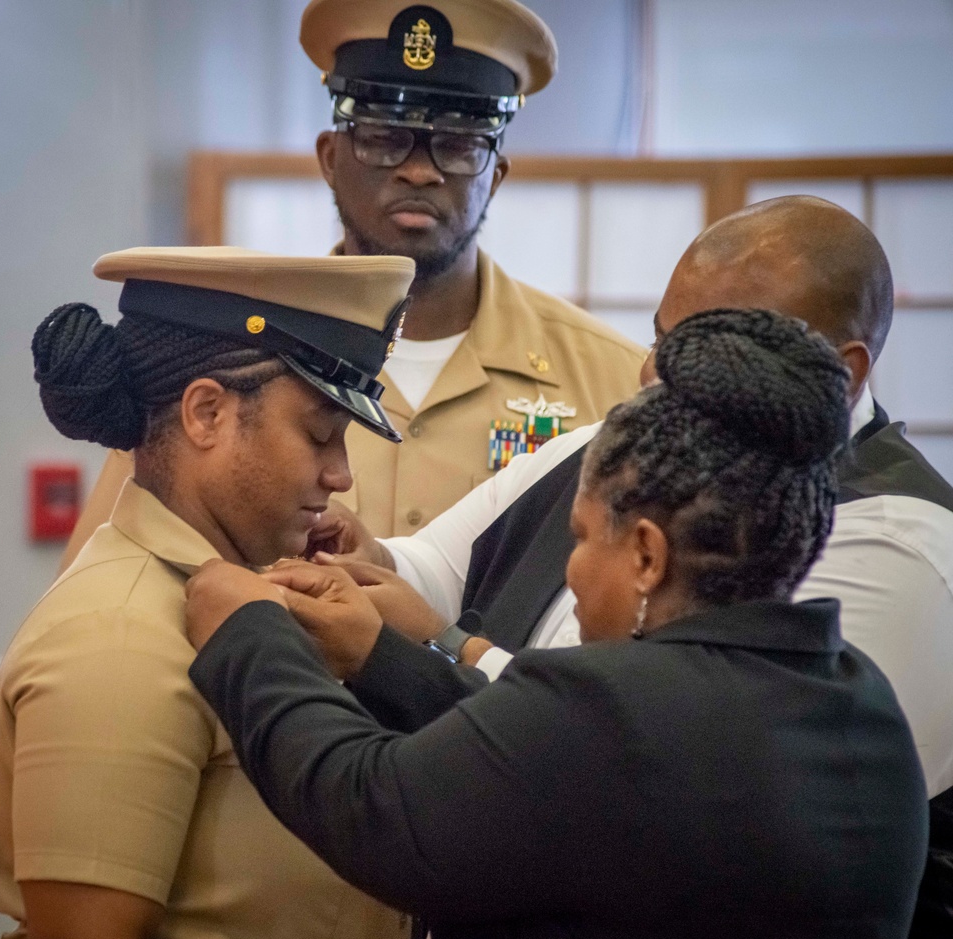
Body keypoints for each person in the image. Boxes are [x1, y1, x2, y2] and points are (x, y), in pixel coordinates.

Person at [183, 307, 928, 939]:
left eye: (580, 537)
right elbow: (533, 777)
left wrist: (250, 636)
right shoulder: (856, 701)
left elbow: (372, 806)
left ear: (645, 555)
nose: (569, 571)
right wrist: (384, 654)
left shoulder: (618, 709)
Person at [0, 247, 416, 939]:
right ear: (206, 413)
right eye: (320, 431)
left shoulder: (247, 600)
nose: (341, 473)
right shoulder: (119, 630)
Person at [56, 0, 644, 566]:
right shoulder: (219, 360)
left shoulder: (610, 381)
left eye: (459, 145)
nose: (419, 170)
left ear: (496, 177)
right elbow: (105, 578)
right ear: (330, 157)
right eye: (384, 138)